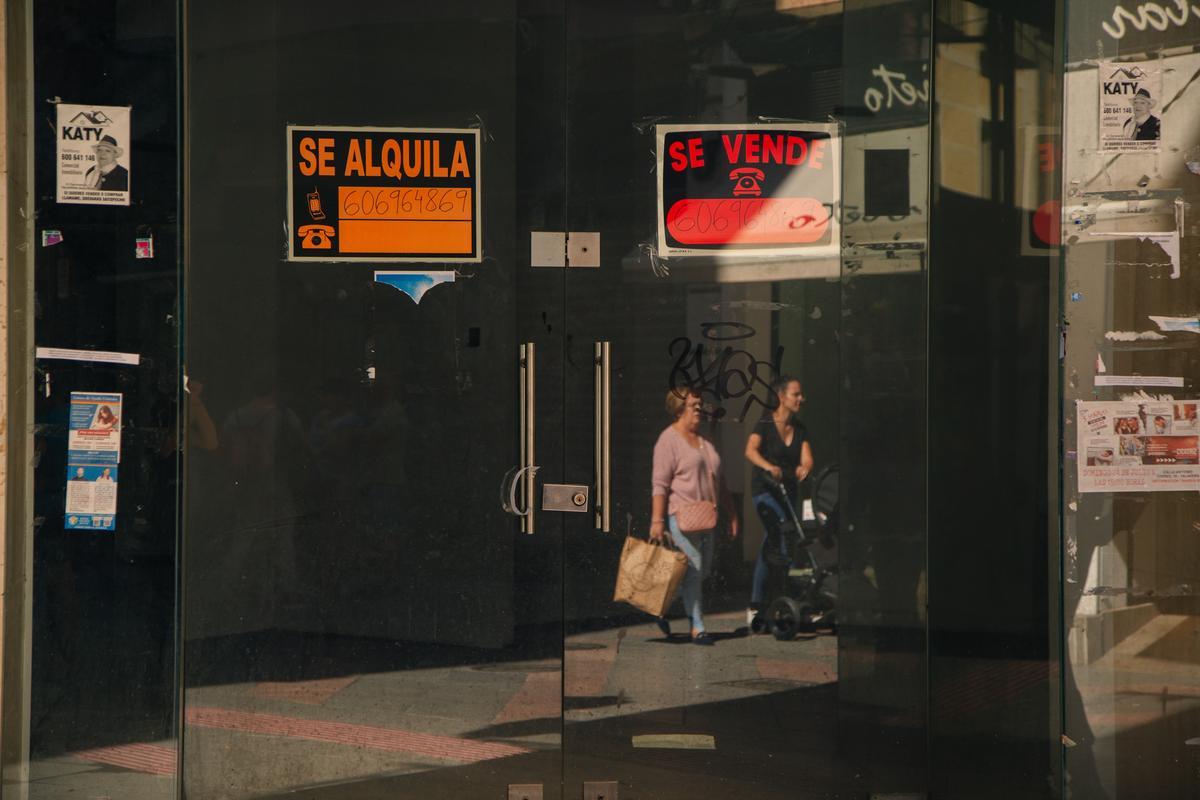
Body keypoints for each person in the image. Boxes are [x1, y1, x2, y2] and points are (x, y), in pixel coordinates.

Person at [650, 387, 739, 645]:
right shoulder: (668, 440)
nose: (699, 409)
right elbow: (660, 484)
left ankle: (661, 606)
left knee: (702, 570)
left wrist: (732, 514)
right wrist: (657, 521)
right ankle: (697, 626)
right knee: (696, 567)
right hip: (680, 516)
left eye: (701, 405)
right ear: (679, 409)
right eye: (694, 405)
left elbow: (720, 483)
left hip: (706, 517)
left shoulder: (705, 442)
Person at [743, 375, 813, 624]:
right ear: (782, 397)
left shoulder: (800, 428)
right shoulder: (764, 423)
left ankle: (775, 600)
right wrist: (768, 466)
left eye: (801, 395)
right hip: (765, 490)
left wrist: (804, 468)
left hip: (787, 492)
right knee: (778, 533)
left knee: (779, 540)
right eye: (796, 394)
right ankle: (758, 603)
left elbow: (806, 458)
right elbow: (750, 451)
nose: (801, 399)